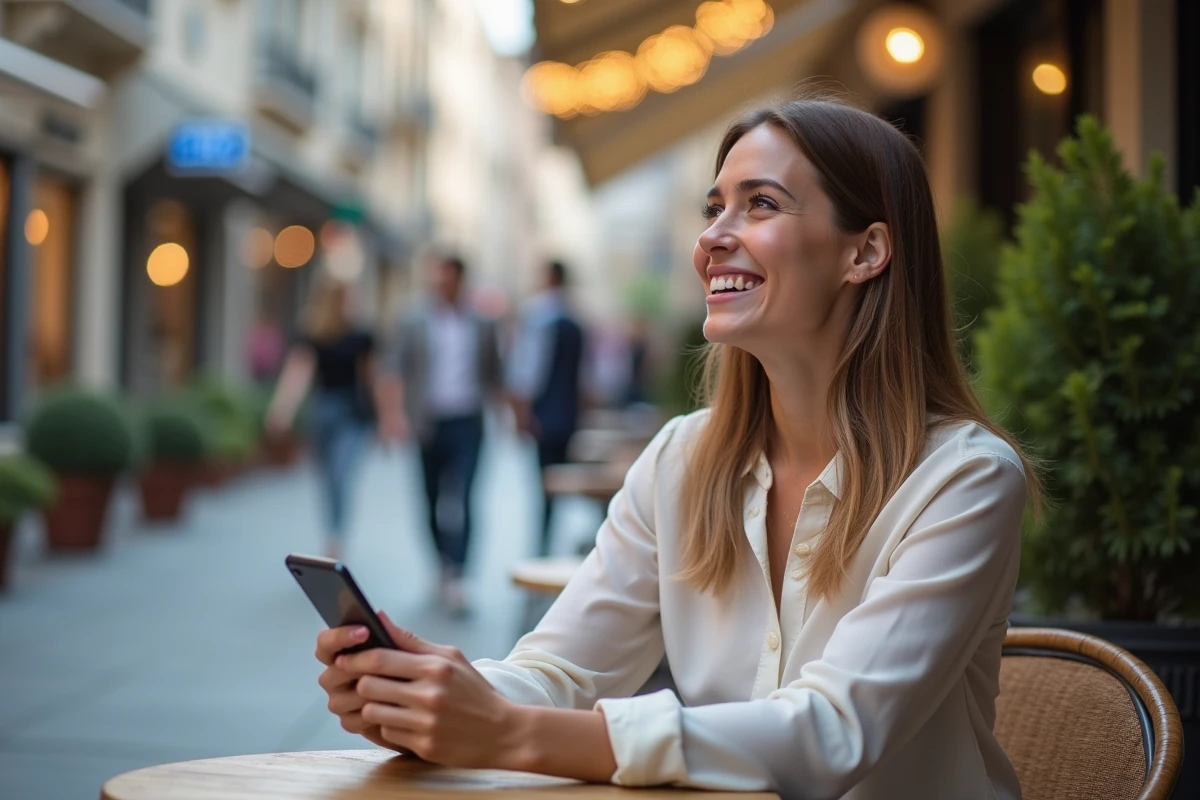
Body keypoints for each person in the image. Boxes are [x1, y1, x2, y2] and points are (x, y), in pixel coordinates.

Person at [312, 97, 1041, 799]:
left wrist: (504, 732)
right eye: (713, 207)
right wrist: (434, 696)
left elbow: (830, 733)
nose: (714, 236)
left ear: (866, 251)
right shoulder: (681, 460)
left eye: (760, 204)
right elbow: (560, 669)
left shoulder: (966, 480)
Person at [380, 254, 503, 615]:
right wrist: (393, 416)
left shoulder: (482, 323)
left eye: (448, 277)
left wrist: (508, 415)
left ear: (461, 280)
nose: (441, 284)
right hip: (428, 422)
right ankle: (442, 563)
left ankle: (459, 575)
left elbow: (495, 372)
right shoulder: (414, 320)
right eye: (438, 277)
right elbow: (394, 369)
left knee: (464, 497)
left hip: (468, 422)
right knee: (430, 499)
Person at [267, 280, 382, 561]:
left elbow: (372, 379)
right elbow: (298, 374)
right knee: (328, 479)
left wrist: (385, 418)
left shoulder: (362, 337)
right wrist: (282, 410)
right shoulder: (314, 335)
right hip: (323, 412)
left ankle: (337, 537)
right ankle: (332, 530)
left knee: (342, 474)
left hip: (353, 415)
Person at [507, 260, 586, 556]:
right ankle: (548, 546)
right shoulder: (576, 318)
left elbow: (527, 370)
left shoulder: (538, 316)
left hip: (545, 414)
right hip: (568, 416)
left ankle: (543, 548)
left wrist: (521, 414)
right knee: (555, 484)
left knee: (543, 485)